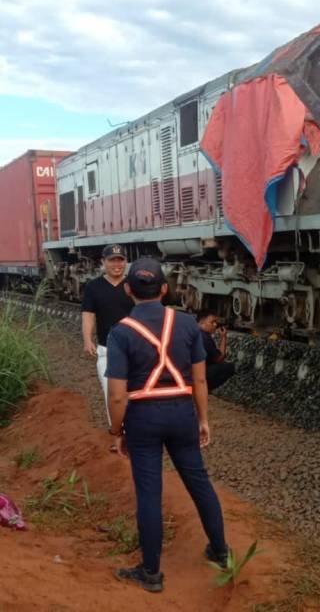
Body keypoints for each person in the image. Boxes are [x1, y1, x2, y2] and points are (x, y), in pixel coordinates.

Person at [106, 257, 229, 593]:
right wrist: (202, 419)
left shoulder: (121, 332)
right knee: (199, 482)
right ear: (164, 289)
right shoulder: (188, 324)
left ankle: (151, 572)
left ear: (128, 289)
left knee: (149, 492)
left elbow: (117, 397)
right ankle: (220, 551)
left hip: (143, 418)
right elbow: (200, 381)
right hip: (181, 413)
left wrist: (117, 433)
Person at [81, 244, 133, 424]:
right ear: (103, 262)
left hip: (134, 350)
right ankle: (117, 432)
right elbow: (88, 314)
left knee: (135, 393)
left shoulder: (133, 285)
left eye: (121, 260)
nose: (117, 264)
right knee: (111, 394)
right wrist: (88, 339)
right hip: (106, 350)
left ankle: (136, 432)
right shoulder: (93, 287)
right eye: (112, 260)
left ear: (126, 262)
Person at [196, 310, 236, 392]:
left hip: (185, 371)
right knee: (228, 367)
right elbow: (219, 358)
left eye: (216, 322)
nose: (215, 325)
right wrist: (223, 337)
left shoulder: (193, 332)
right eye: (212, 322)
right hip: (196, 374)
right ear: (202, 322)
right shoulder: (205, 338)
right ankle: (204, 389)